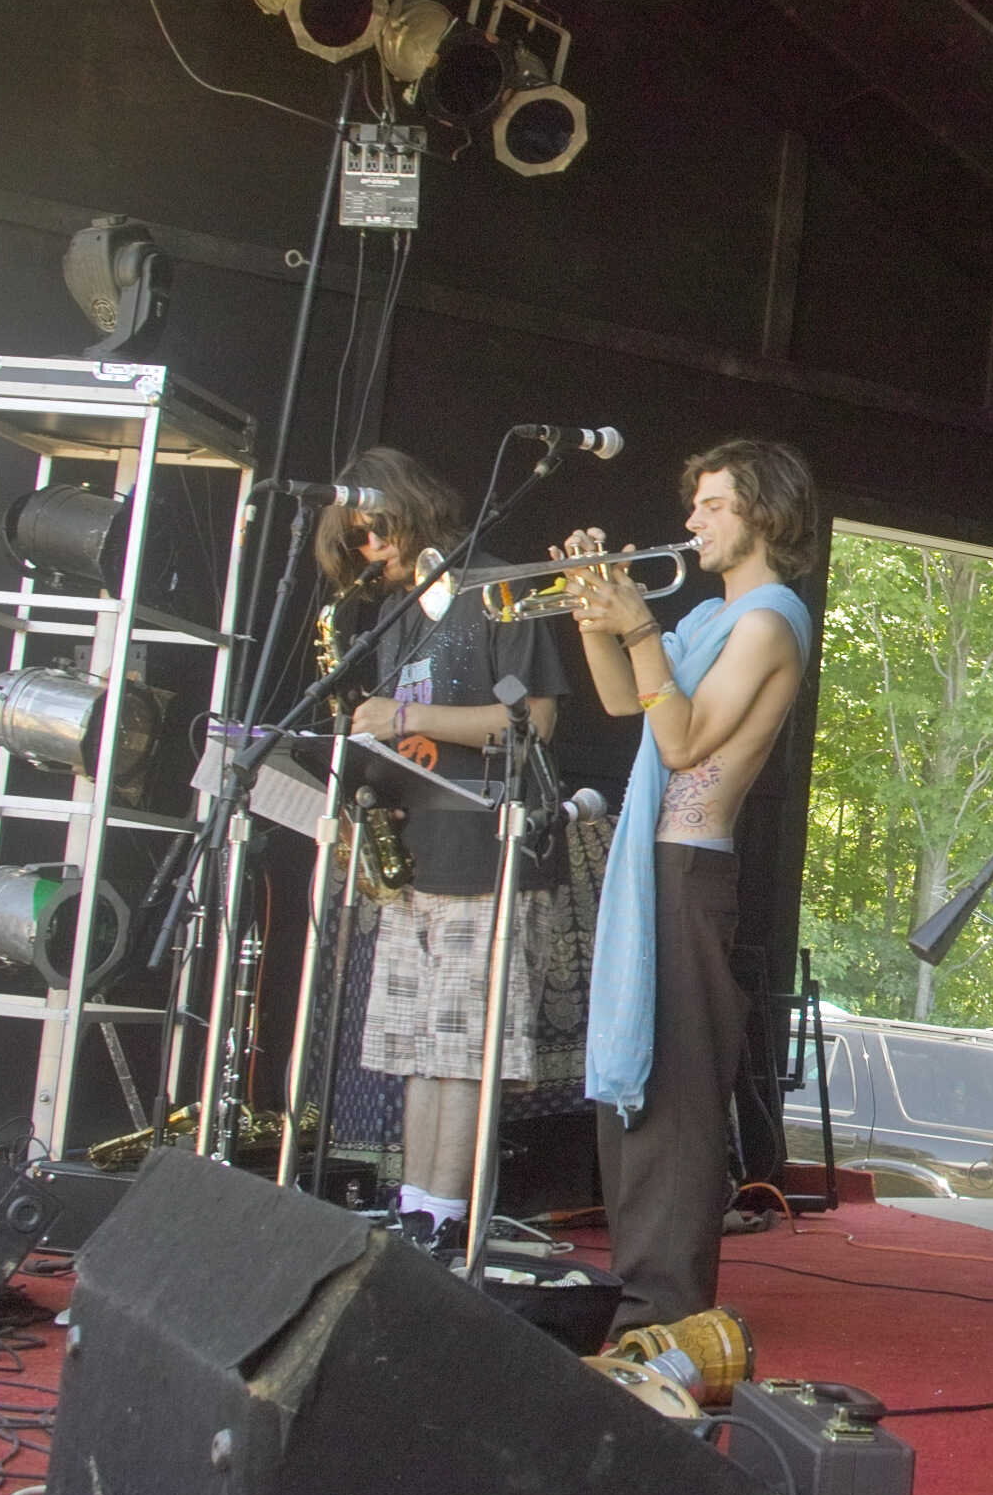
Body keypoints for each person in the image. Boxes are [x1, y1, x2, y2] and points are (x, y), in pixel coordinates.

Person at [561, 438, 817, 1330]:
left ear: (762, 513)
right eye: (696, 503)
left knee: (673, 1099)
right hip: (659, 868)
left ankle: (662, 1312)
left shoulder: (769, 620)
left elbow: (681, 741)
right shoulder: (712, 617)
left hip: (688, 866)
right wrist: (593, 611)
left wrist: (638, 626)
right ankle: (638, 1295)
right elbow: (624, 701)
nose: (692, 520)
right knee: (638, 1099)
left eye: (713, 505)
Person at [315, 446, 567, 1253]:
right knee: (419, 1055)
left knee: (460, 1056)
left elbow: (534, 724)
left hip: (486, 856)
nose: (369, 550)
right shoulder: (397, 615)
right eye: (354, 540)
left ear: (412, 509)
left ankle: (445, 1218)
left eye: (375, 530)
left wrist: (405, 718)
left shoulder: (496, 587)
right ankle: (415, 1206)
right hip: (416, 859)